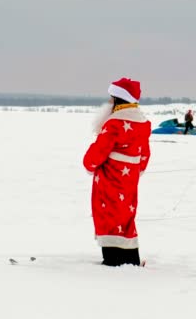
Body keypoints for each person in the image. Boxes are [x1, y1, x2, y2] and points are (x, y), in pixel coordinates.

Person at [82, 77, 151, 267]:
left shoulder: (114, 124)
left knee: (109, 216)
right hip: (129, 181)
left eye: (112, 99)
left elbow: (98, 152)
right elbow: (144, 155)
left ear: (119, 100)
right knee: (126, 217)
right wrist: (135, 172)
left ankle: (113, 260)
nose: (110, 103)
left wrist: (88, 164)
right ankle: (130, 258)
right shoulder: (143, 124)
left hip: (110, 180)